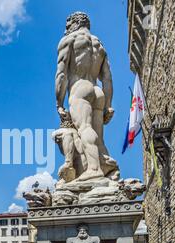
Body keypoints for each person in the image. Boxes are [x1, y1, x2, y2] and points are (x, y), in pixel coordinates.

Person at [55, 12, 118, 183]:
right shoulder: (99, 45)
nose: (66, 29)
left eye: (67, 26)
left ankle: (94, 170)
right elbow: (107, 78)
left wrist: (59, 103)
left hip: (80, 88)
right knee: (97, 137)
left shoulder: (69, 40)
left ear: (75, 23)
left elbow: (61, 75)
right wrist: (109, 105)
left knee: (84, 129)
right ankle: (106, 168)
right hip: (98, 92)